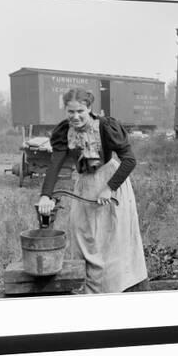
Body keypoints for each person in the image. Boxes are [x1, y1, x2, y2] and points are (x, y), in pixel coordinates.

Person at [38, 88, 148, 294]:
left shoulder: (105, 127)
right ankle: (89, 292)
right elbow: (55, 164)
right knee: (83, 235)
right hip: (84, 186)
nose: (75, 116)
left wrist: (109, 188)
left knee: (110, 240)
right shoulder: (64, 131)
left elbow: (130, 160)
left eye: (80, 111)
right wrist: (45, 194)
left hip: (111, 182)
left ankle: (115, 289)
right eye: (70, 112)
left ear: (89, 108)